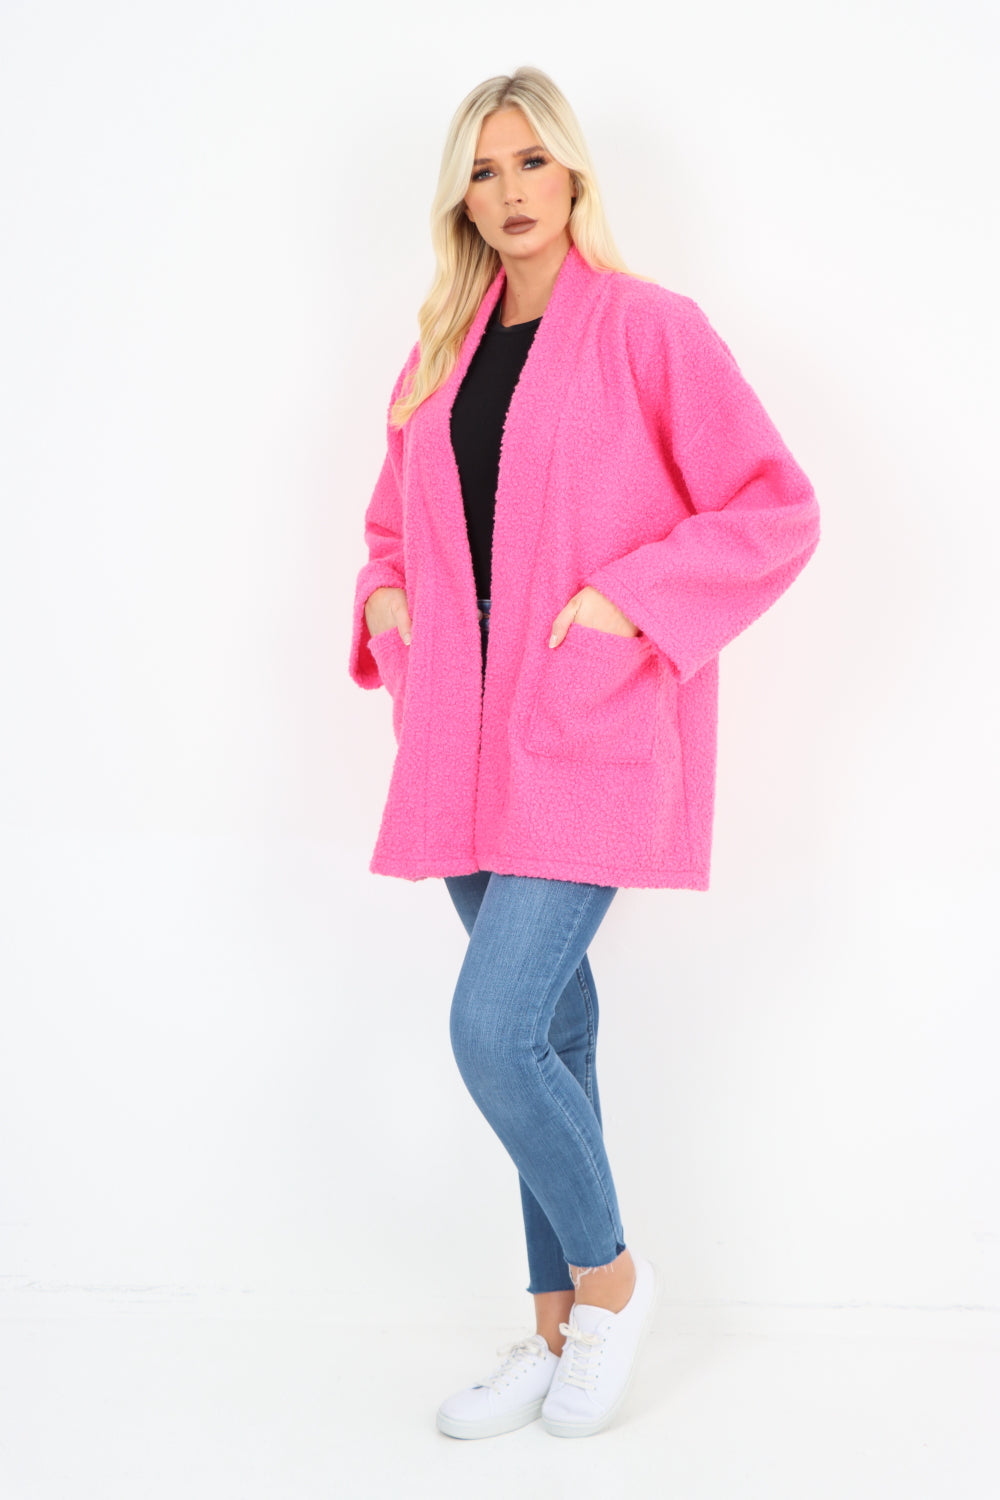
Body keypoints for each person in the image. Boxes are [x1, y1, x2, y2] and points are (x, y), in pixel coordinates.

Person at [349, 66, 821, 1441]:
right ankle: (557, 1328)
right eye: (482, 171)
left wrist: (627, 602)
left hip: (585, 729)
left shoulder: (648, 329)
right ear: (461, 197)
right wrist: (387, 602)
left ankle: (611, 1283)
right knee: (551, 1031)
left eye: (530, 163)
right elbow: (392, 529)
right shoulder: (436, 353)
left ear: (572, 175)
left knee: (492, 1030)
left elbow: (774, 506)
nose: (508, 192)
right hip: (460, 735)